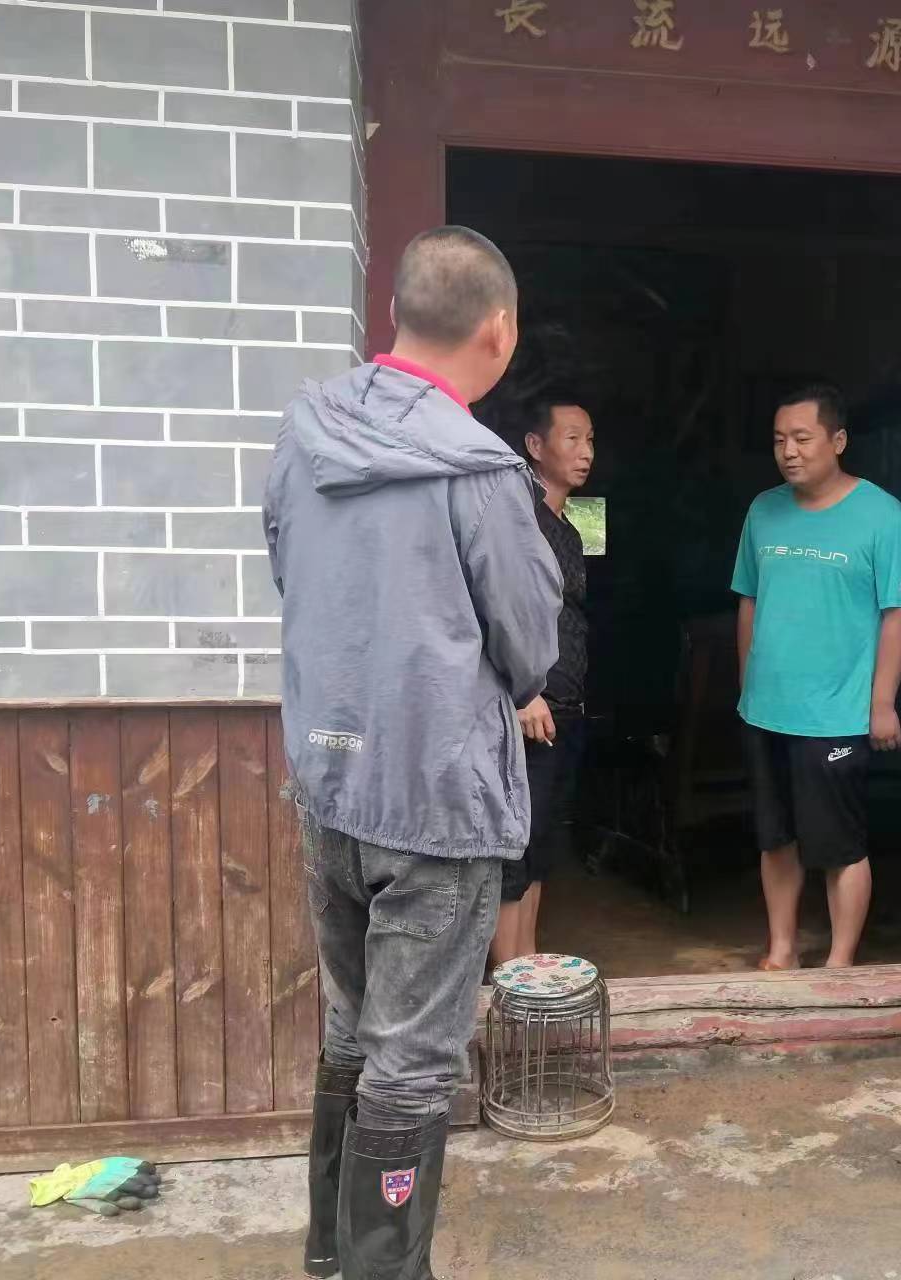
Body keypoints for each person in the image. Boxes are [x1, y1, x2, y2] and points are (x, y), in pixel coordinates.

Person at [264, 226, 562, 1280]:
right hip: (435, 802)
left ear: (393, 313)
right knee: (413, 1063)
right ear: (499, 330)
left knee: (351, 1031)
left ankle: (332, 1253)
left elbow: (289, 572)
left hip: (329, 787)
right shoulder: (479, 469)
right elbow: (529, 646)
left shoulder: (305, 434)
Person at [731, 383, 901, 971]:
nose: (788, 451)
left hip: (836, 712)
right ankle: (782, 950)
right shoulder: (763, 510)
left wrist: (882, 703)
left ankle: (839, 966)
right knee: (775, 838)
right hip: (766, 709)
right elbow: (748, 601)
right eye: (779, 440)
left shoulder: (882, 515)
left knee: (840, 845)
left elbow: (897, 614)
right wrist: (747, 686)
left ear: (837, 440)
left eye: (802, 438)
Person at [490, 394, 596, 967]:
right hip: (529, 706)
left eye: (590, 440)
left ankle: (527, 956)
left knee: (546, 837)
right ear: (535, 445)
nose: (586, 452)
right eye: (572, 438)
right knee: (517, 841)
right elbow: (496, 606)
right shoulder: (517, 518)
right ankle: (508, 972)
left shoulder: (567, 530)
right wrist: (524, 690)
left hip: (565, 704)